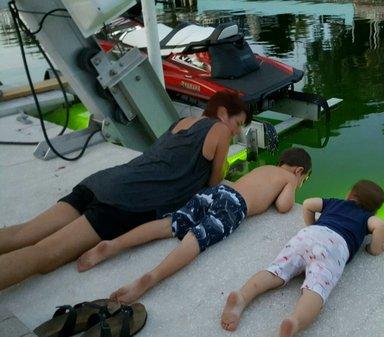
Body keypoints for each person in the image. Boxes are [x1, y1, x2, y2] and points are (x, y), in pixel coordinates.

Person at [0, 92, 250, 290]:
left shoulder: (181, 122)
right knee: (45, 254)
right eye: (238, 123)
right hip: (126, 201)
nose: (236, 131)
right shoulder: (219, 130)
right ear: (223, 112)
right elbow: (215, 181)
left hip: (102, 182)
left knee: (24, 233)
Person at [84, 148, 312, 304]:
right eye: (305, 180)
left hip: (218, 192)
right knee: (196, 239)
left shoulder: (263, 169)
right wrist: (292, 186)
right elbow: (284, 206)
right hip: (234, 206)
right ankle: (152, 278)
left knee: (169, 224)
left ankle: (113, 245)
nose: (302, 184)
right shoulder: (290, 178)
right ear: (299, 170)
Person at [221, 180, 384, 337]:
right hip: (335, 247)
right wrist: (374, 249)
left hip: (308, 236)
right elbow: (380, 226)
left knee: (276, 270)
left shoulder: (334, 202)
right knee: (316, 288)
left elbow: (308, 203)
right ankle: (295, 322)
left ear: (350, 194)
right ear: (374, 209)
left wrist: (311, 226)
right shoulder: (367, 218)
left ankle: (242, 297)